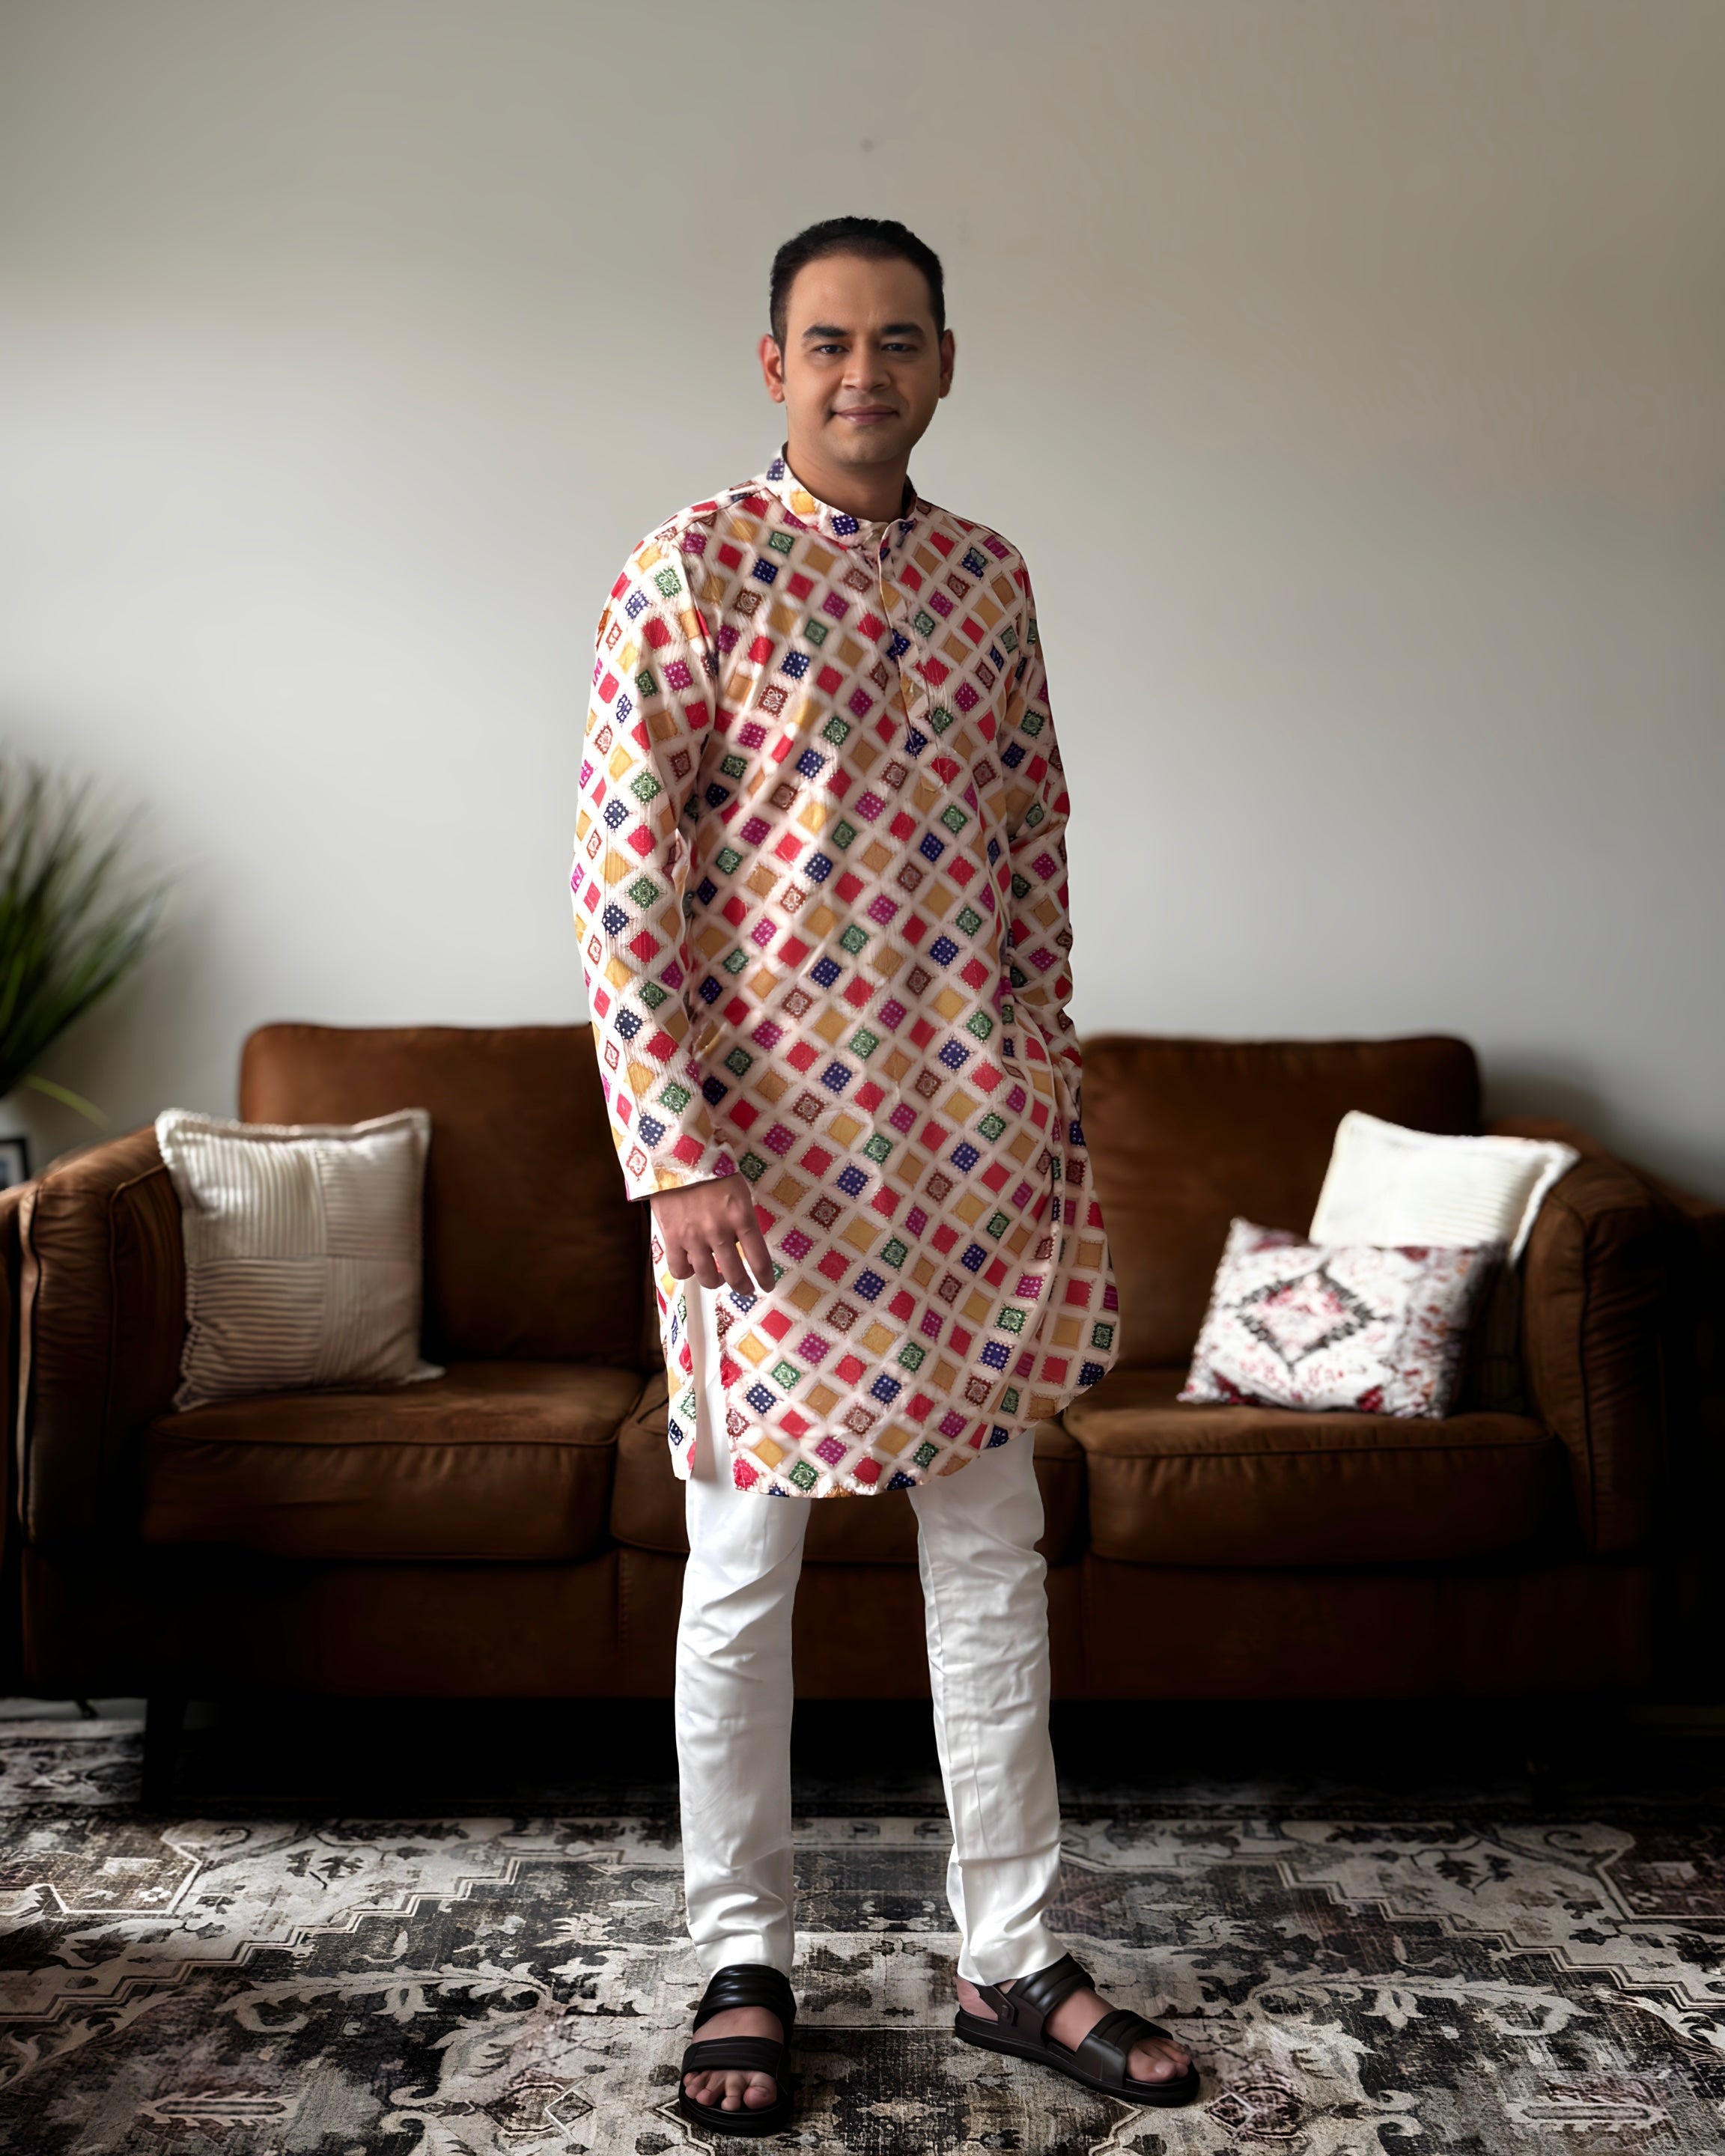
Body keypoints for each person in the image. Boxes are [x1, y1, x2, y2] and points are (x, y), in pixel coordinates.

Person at [571, 215, 1197, 2134]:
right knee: (743, 1572)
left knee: (989, 1561)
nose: (865, 372)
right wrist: (672, 1154)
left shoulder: (992, 579)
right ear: (774, 366)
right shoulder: (690, 569)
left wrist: (1040, 1075)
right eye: (827, 341)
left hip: (967, 1157)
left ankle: (1012, 1956)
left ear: (945, 361)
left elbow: (1035, 841)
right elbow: (623, 884)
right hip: (758, 1179)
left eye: (898, 340)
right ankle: (738, 1951)